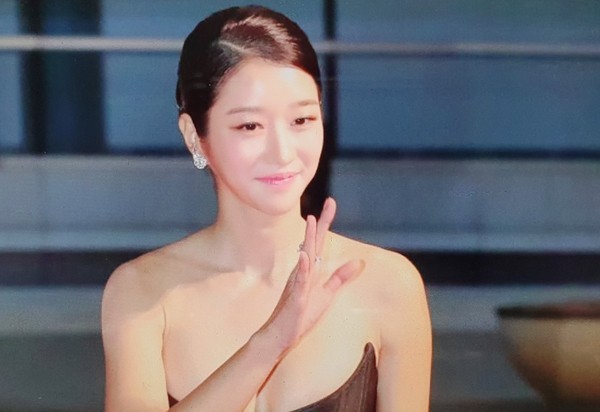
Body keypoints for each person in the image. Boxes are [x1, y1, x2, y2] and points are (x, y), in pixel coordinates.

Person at [101, 5, 431, 412]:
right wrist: (272, 340)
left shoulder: (388, 284)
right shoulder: (142, 292)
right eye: (250, 126)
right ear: (193, 136)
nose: (282, 152)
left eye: (302, 120)